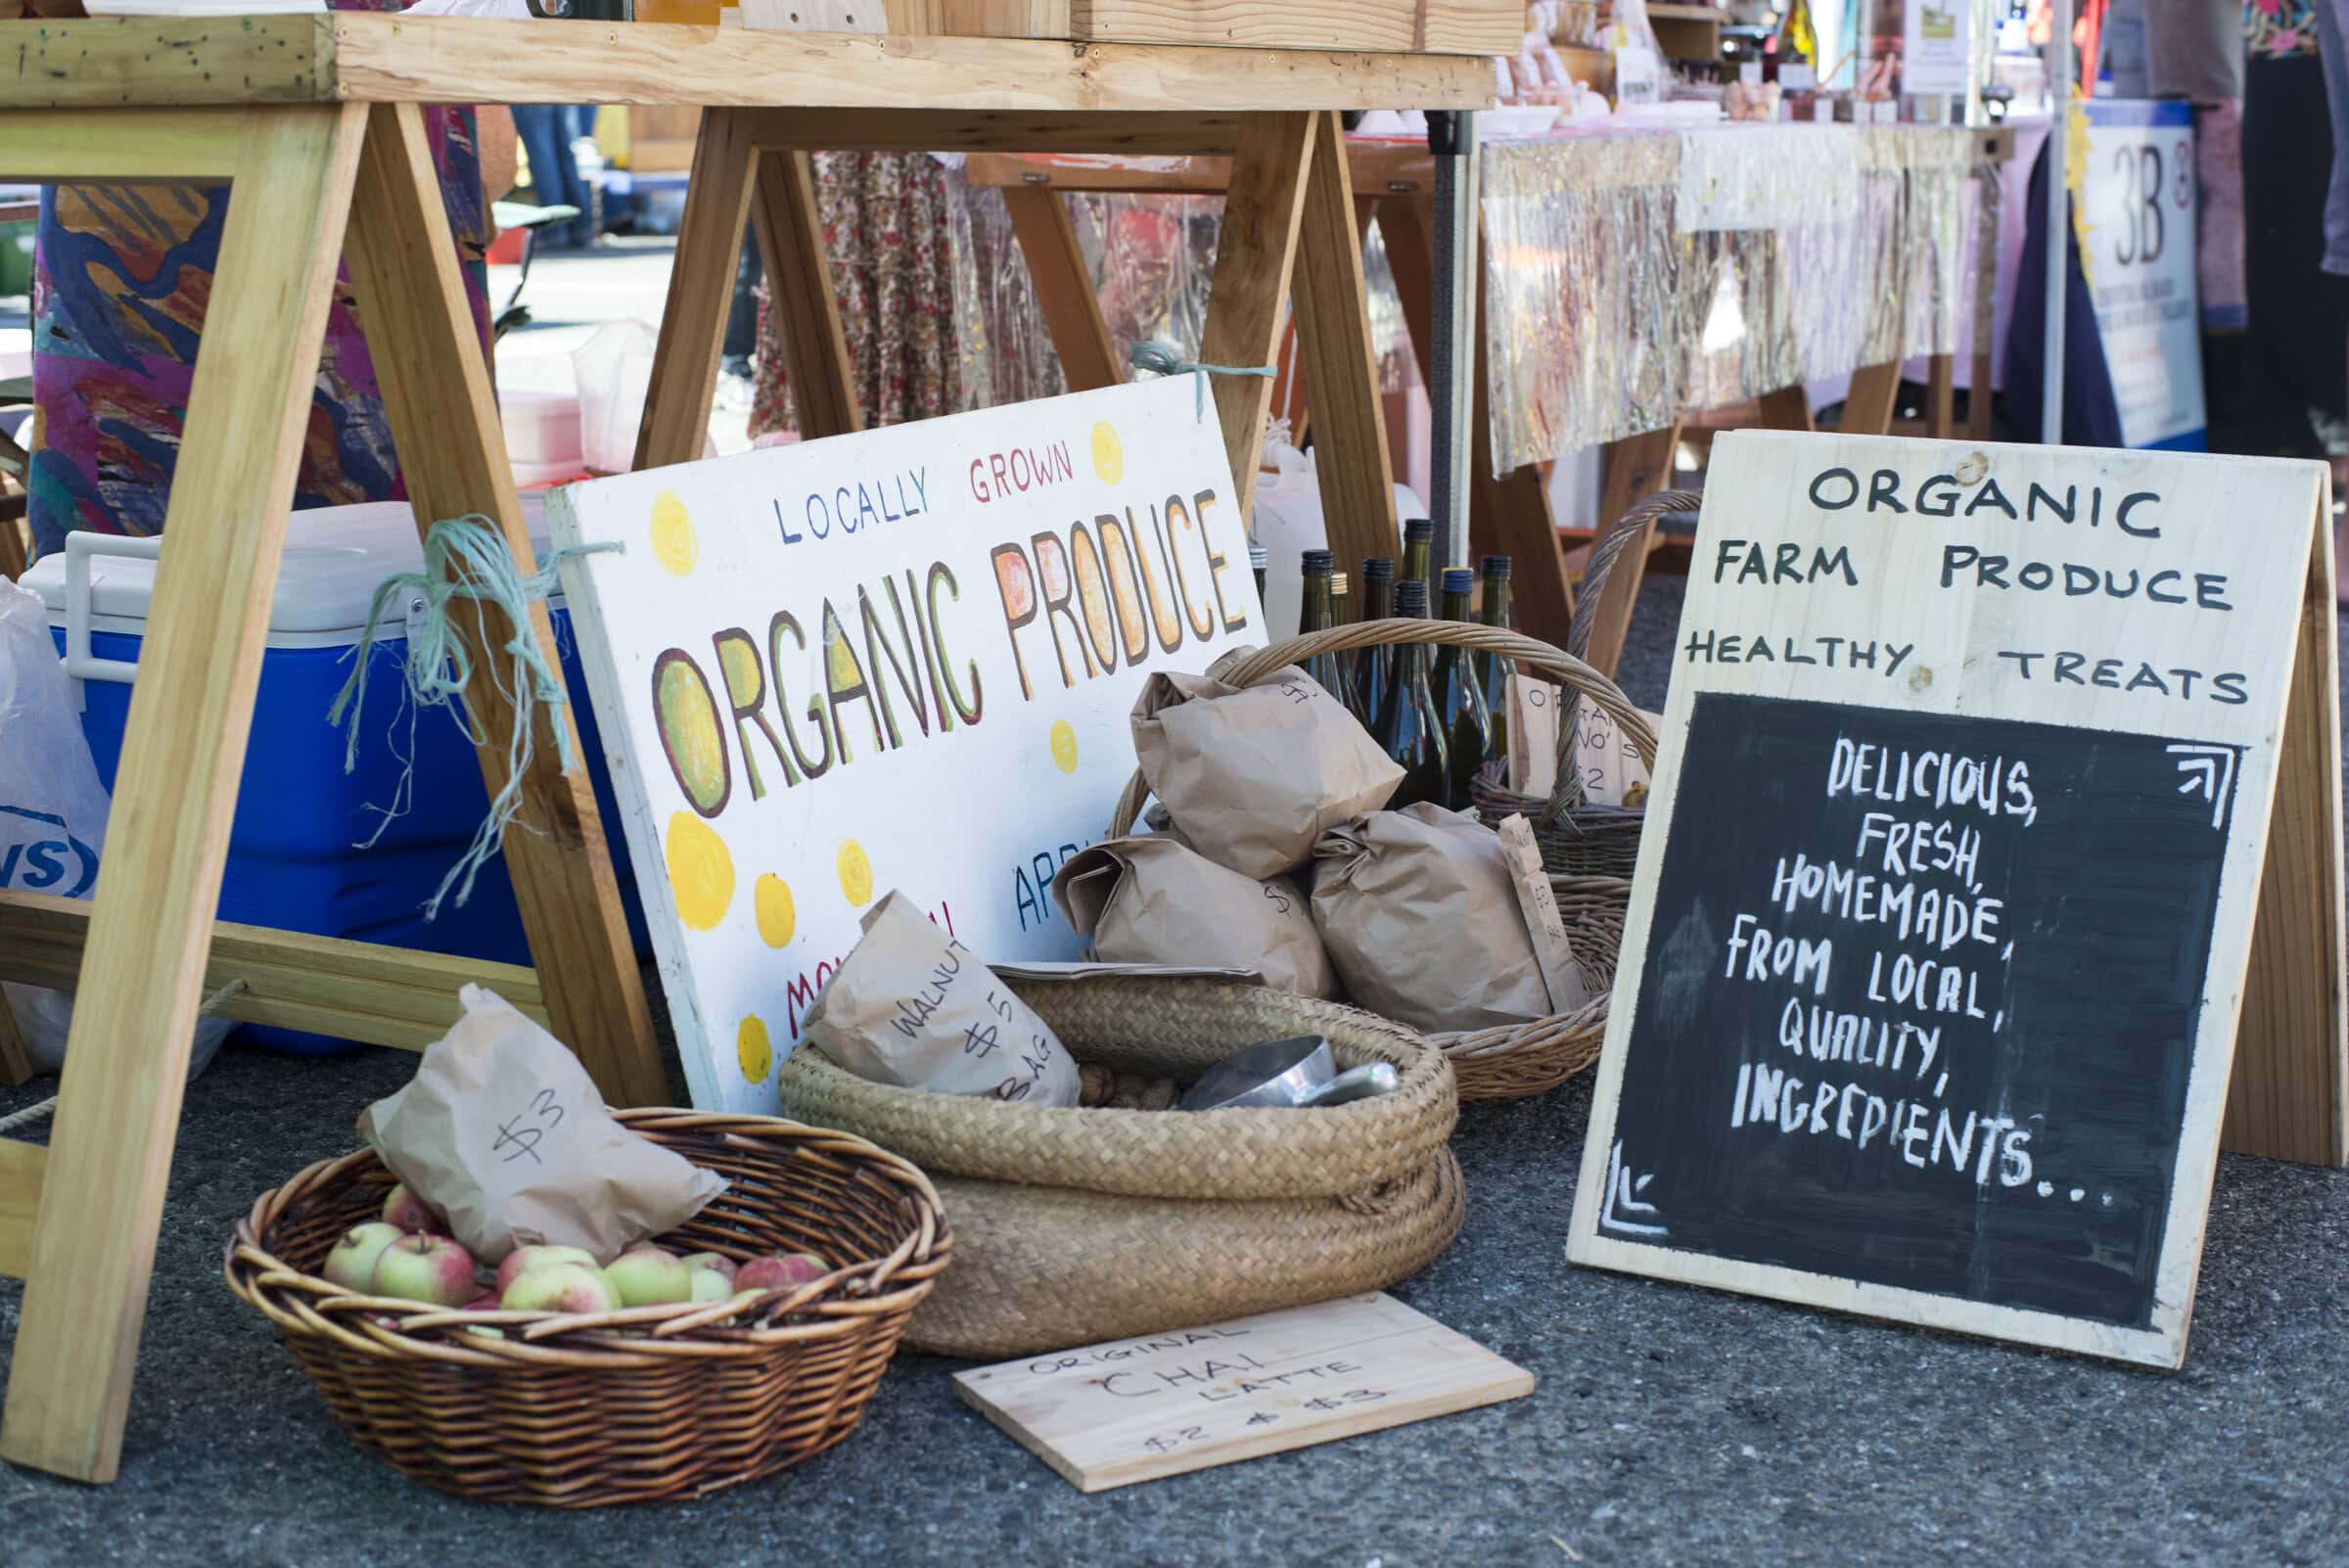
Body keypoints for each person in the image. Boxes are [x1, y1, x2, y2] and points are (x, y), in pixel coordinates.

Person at [23, 1, 513, 558]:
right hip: (158, 252)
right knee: (136, 577)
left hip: (374, 236)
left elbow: (491, 162)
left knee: (395, 571)